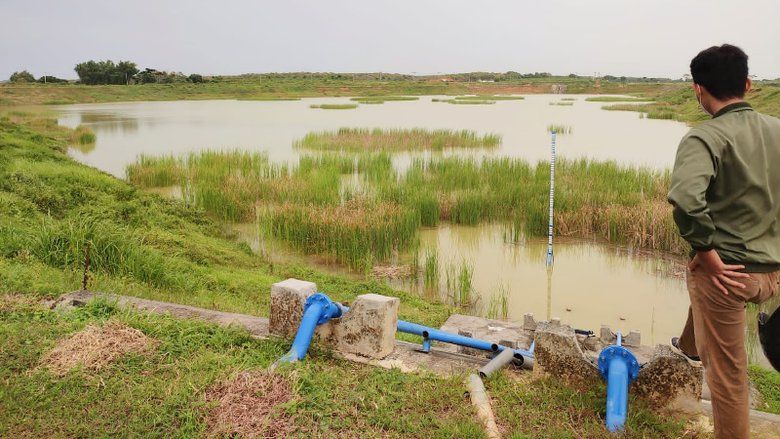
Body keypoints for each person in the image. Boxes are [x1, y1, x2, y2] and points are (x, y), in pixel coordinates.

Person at [667, 44, 780, 439]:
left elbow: (685, 200)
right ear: (748, 83)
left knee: (729, 380)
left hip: (727, 278)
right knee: (697, 272)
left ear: (698, 90)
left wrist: (707, 251)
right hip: (772, 275)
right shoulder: (777, 129)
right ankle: (688, 350)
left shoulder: (706, 138)